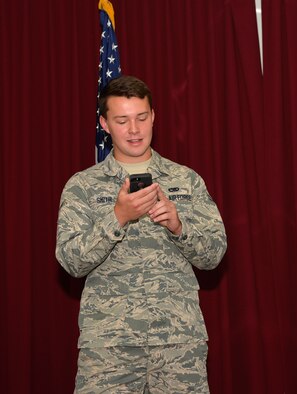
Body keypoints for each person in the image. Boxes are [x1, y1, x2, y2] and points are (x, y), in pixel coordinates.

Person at [55, 75, 227, 393]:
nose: (134, 130)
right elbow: (71, 262)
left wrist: (179, 227)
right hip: (108, 349)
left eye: (141, 118)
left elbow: (214, 255)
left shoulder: (185, 180)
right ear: (105, 124)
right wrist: (118, 217)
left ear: (153, 117)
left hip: (179, 346)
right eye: (122, 120)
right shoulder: (82, 186)